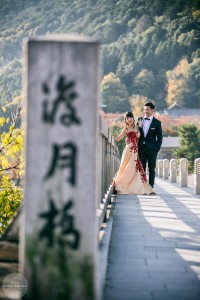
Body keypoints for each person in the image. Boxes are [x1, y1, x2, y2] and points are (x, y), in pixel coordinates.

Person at [113, 111, 155, 195]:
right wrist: (109, 136)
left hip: (136, 150)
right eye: (127, 118)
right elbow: (118, 138)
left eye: (130, 117)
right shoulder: (126, 129)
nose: (129, 119)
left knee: (134, 169)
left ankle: (136, 187)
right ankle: (122, 185)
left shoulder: (137, 127)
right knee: (127, 168)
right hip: (129, 150)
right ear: (125, 120)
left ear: (133, 118)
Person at [137, 102, 162, 188]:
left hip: (152, 149)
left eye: (147, 109)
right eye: (144, 109)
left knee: (151, 169)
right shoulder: (139, 120)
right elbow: (136, 133)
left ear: (152, 110)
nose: (145, 111)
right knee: (141, 168)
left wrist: (156, 148)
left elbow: (159, 138)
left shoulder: (157, 123)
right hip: (141, 148)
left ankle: (151, 186)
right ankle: (142, 186)